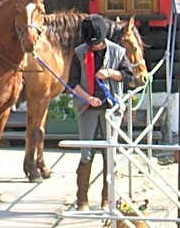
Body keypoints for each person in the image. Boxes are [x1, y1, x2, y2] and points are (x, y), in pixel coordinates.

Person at [68, 13, 134, 211]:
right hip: (87, 108)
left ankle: (107, 198)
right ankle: (82, 200)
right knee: (86, 153)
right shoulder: (79, 53)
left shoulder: (118, 52)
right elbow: (72, 83)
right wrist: (87, 98)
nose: (94, 46)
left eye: (97, 43)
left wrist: (111, 73)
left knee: (109, 153)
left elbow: (128, 76)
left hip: (110, 108)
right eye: (91, 43)